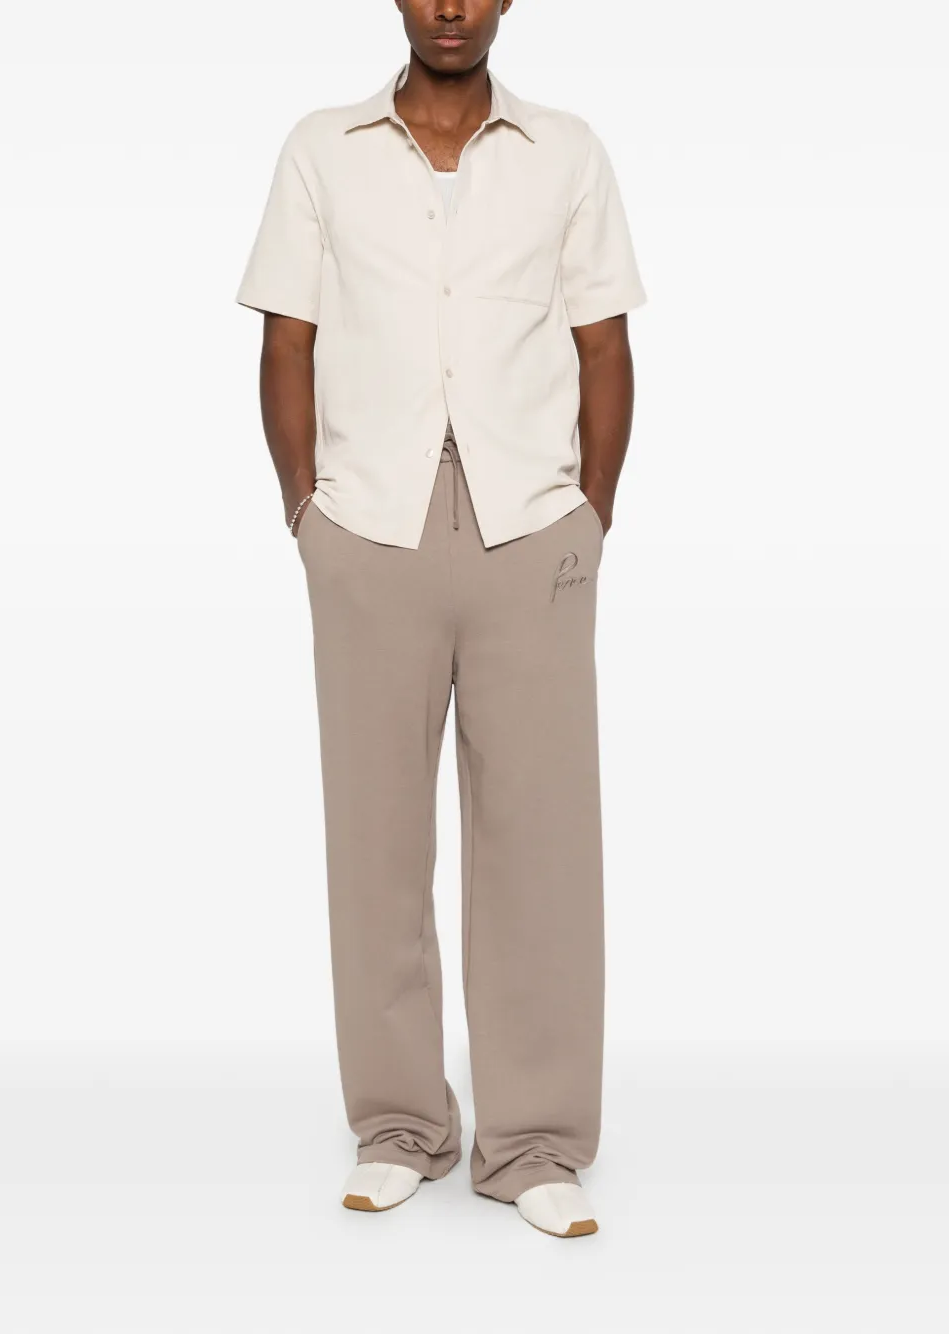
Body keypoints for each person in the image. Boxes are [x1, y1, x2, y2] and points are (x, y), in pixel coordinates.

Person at [235, 0, 645, 1239]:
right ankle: (398, 1124)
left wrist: (589, 517)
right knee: (374, 841)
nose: (450, 6)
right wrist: (305, 513)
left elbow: (604, 344)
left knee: (543, 846)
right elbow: (288, 340)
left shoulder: (567, 150)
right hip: (369, 529)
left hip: (532, 530)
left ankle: (533, 1141)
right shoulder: (321, 148)